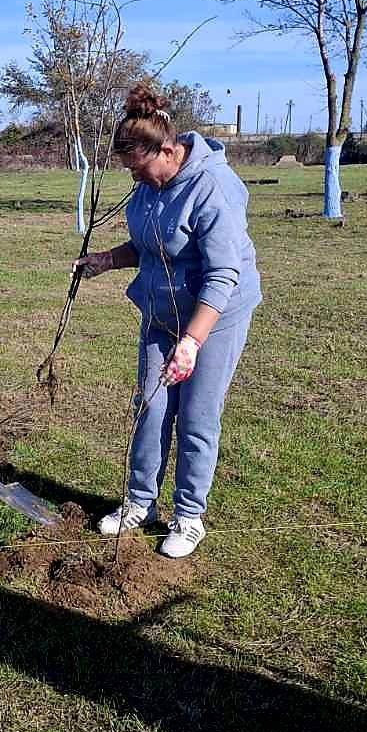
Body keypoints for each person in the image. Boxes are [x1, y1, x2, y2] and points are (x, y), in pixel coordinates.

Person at [73, 84, 261, 558]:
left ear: (169, 150)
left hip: (214, 316)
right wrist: (105, 260)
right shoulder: (147, 187)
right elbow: (147, 244)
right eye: (129, 172)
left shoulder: (211, 189)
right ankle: (140, 502)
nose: (137, 179)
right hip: (160, 312)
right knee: (151, 408)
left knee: (196, 416)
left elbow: (223, 272)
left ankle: (189, 515)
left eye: (140, 168)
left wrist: (193, 342)